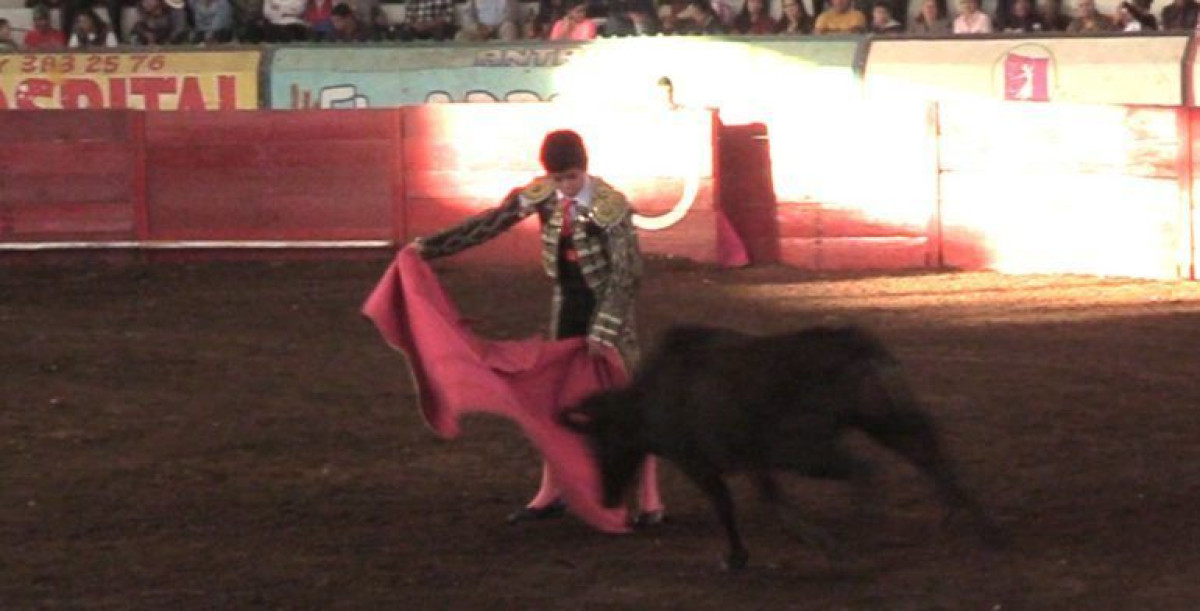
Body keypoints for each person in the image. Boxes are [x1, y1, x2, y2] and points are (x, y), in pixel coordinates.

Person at [413, 130, 664, 527]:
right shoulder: (543, 194)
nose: (565, 186)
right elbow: (491, 222)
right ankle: (551, 493)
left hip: (607, 309)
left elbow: (625, 273)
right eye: (558, 178)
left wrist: (604, 328)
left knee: (629, 401)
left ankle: (651, 501)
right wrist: (430, 247)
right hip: (566, 305)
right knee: (555, 399)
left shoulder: (611, 206)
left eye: (571, 177)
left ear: (584, 169)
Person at [456, 0, 522, 41]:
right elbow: (467, 15)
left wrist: (493, 27)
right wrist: (476, 26)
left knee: (509, 28)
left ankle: (507, 57)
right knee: (461, 36)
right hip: (480, 27)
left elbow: (513, 14)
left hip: (501, 26)